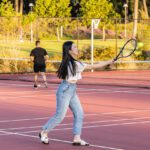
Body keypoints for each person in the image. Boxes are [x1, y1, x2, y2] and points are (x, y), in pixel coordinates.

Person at [39, 41, 114, 146]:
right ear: (69, 51)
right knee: (60, 116)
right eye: (74, 47)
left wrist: (108, 62)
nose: (77, 48)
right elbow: (94, 66)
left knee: (79, 113)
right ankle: (44, 132)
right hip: (66, 90)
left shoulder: (70, 61)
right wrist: (109, 61)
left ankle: (77, 138)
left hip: (71, 89)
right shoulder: (75, 64)